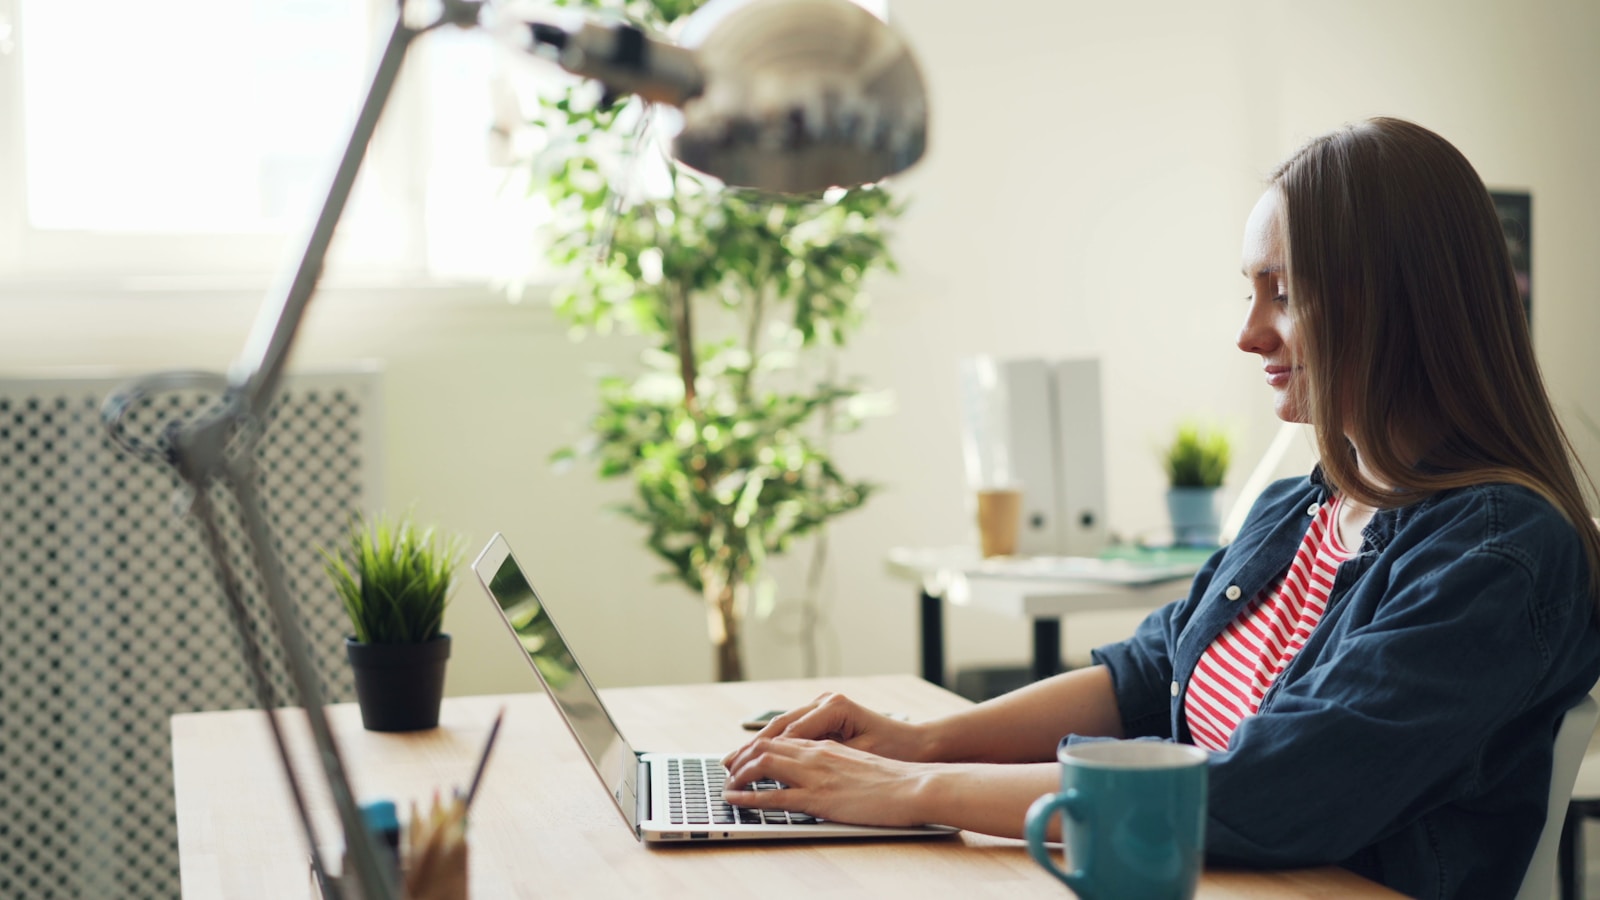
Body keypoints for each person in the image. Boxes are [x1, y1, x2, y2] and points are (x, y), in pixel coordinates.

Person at [721, 117, 1600, 900]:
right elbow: (1145, 677)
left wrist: (912, 795)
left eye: (1285, 294)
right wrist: (923, 743)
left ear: (1397, 304)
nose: (1250, 332)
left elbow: (1268, 794)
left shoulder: (1500, 556)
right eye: (1250, 290)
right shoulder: (1299, 510)